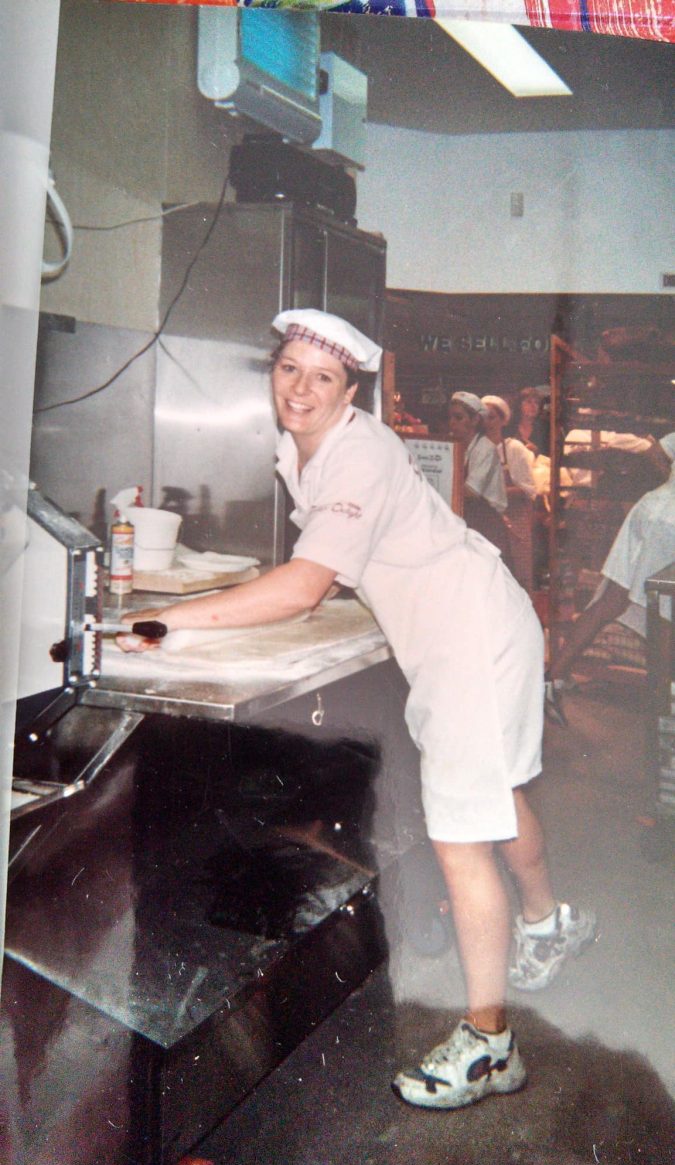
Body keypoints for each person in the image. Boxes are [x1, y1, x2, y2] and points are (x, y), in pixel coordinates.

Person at [119, 310, 596, 1111]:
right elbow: (337, 562)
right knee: (495, 787)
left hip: (468, 637)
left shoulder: (359, 451)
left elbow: (306, 585)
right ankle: (547, 922)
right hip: (468, 621)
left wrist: (167, 621)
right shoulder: (303, 446)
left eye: (323, 378)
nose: (300, 389)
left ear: (351, 392)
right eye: (289, 369)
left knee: (457, 837)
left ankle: (489, 1046)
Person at [546, 432, 675, 726]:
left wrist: (670, 482)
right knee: (666, 608)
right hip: (670, 522)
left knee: (611, 602)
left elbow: (655, 452)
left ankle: (552, 678)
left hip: (653, 506)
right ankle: (665, 713)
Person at [447, 391, 513, 567]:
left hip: (486, 525)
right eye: (451, 417)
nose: (452, 423)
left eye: (458, 418)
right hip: (466, 521)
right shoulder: (456, 447)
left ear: (475, 420)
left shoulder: (485, 449)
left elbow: (471, 492)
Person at [483, 395, 537, 595]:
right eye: (482, 417)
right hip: (484, 525)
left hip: (512, 526)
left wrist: (491, 493)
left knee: (516, 581)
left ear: (503, 420)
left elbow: (529, 490)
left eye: (491, 417)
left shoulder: (514, 449)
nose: (486, 423)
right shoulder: (472, 449)